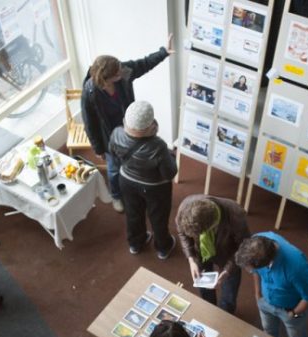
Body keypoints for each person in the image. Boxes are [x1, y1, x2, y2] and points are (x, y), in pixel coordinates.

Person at [81, 35, 174, 213]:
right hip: (109, 137)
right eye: (118, 73)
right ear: (107, 79)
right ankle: (116, 195)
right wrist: (98, 148)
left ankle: (134, 191)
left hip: (129, 128)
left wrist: (164, 53)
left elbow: (143, 64)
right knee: (114, 168)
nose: (122, 72)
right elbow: (89, 123)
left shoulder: (121, 71)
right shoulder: (90, 92)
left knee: (134, 161)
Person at [109, 101, 177, 258]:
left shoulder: (116, 133)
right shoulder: (158, 146)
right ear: (150, 125)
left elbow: (114, 157)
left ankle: (135, 243)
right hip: (155, 188)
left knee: (133, 214)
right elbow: (169, 173)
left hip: (126, 180)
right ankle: (163, 248)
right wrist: (171, 156)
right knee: (158, 217)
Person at [235, 233, 308, 337]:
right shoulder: (256, 240)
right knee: (268, 331)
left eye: (251, 268)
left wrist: (294, 314)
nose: (250, 271)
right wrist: (258, 295)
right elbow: (256, 272)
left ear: (265, 263)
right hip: (265, 302)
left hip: (290, 309)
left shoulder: (297, 268)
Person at [175, 195, 250, 314]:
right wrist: (191, 259)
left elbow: (244, 246)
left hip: (228, 254)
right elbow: (182, 233)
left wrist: (227, 270)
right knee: (203, 284)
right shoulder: (185, 209)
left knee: (229, 291)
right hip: (200, 253)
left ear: (213, 225)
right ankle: (209, 308)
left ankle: (226, 313)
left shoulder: (236, 215)